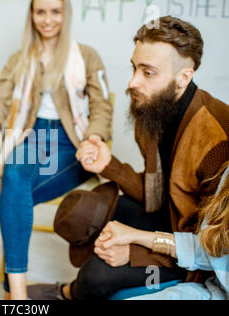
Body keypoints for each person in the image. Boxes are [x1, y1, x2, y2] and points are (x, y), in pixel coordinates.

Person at [28, 16, 228, 300]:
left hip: (197, 256)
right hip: (169, 222)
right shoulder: (152, 110)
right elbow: (155, 195)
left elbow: (213, 254)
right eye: (134, 68)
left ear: (184, 77)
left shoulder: (216, 140)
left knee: (96, 275)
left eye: (148, 73)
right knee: (96, 213)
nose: (132, 82)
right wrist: (108, 166)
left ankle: (70, 293)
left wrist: (136, 251)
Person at [0, 0, 113, 299]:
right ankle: (18, 295)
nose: (48, 19)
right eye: (41, 12)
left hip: (73, 142)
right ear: (31, 15)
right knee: (14, 176)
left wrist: (94, 139)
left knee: (13, 195)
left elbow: (102, 107)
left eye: (55, 11)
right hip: (33, 137)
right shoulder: (21, 59)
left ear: (65, 14)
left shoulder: (87, 56)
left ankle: (13, 291)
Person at [96, 161, 228, 300]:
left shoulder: (212, 152)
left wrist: (136, 253)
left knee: (96, 275)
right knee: (116, 210)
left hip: (186, 268)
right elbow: (208, 248)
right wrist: (134, 236)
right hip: (203, 282)